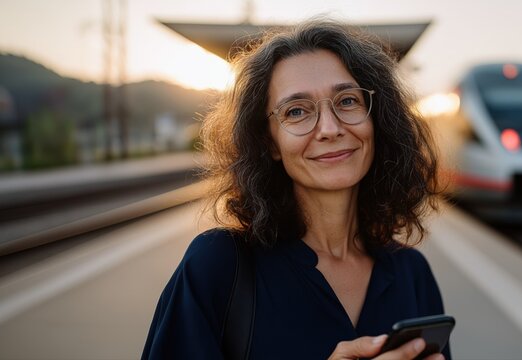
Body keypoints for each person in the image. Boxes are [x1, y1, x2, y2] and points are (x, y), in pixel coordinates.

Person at [142, 19, 449, 360]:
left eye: (348, 101)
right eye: (297, 111)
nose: (330, 128)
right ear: (269, 142)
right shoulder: (217, 267)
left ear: (377, 120)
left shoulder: (412, 272)